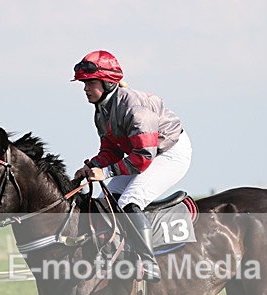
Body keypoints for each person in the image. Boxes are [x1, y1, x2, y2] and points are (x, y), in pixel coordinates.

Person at [71, 50, 192, 280]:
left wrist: (105, 172)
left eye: (90, 83)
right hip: (143, 153)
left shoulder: (135, 109)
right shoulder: (102, 110)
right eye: (84, 84)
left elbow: (144, 156)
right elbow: (112, 150)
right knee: (104, 202)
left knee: (129, 201)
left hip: (169, 153)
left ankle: (148, 264)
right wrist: (93, 165)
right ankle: (118, 254)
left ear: (107, 83)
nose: (85, 89)